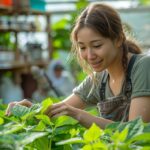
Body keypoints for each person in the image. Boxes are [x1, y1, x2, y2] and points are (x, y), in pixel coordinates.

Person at [6, 3, 150, 129]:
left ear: (118, 39)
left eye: (97, 45)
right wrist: (28, 110)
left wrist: (78, 115)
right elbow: (56, 111)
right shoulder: (99, 79)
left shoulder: (142, 66)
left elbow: (136, 132)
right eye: (82, 47)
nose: (89, 55)